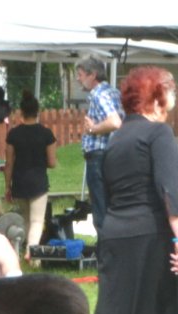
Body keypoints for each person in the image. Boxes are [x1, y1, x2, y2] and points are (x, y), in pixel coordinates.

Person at [65, 66, 178, 314]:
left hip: (115, 234)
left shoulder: (118, 137)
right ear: (156, 97)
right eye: (170, 90)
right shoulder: (158, 134)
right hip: (153, 236)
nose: (175, 97)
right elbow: (170, 189)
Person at [4, 90, 57, 262]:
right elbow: (52, 162)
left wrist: (7, 186)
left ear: (21, 112)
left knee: (26, 220)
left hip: (19, 182)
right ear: (37, 112)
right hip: (38, 182)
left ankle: (27, 250)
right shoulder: (46, 134)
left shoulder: (13, 134)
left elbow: (9, 163)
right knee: (37, 221)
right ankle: (33, 255)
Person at [75, 56, 125, 234]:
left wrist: (92, 129)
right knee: (112, 204)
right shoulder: (114, 92)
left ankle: (104, 251)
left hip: (98, 155)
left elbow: (115, 122)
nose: (78, 78)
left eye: (80, 74)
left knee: (100, 205)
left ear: (92, 75)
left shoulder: (98, 94)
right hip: (113, 154)